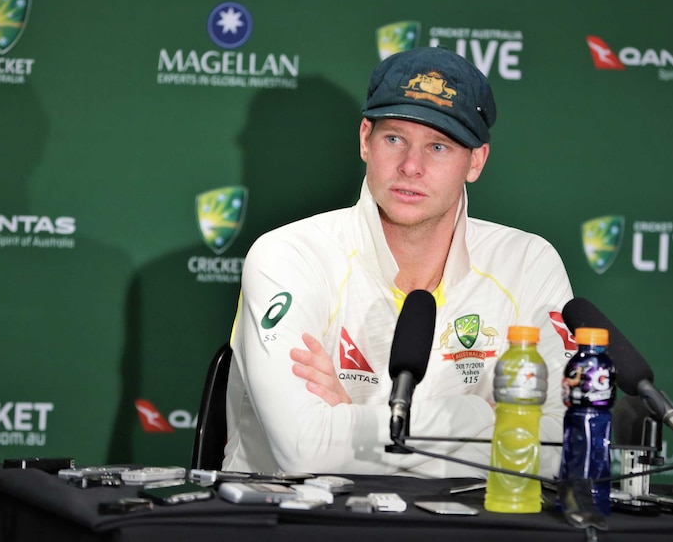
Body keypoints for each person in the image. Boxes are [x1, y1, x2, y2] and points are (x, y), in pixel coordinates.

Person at [222, 47, 573, 479]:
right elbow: (303, 449)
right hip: (287, 523)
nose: (411, 166)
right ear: (365, 139)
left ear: (476, 160)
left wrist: (351, 423)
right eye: (395, 139)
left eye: (439, 147)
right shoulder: (289, 255)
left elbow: (566, 448)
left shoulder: (527, 263)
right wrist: (482, 419)